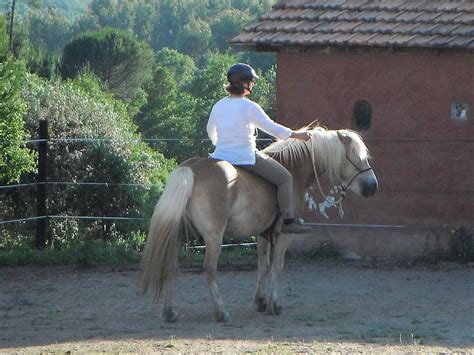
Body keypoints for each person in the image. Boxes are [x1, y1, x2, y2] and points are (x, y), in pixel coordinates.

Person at [206, 63, 311, 234]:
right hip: (246, 157)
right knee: (285, 179)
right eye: (251, 81)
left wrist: (222, 145)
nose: (253, 84)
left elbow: (210, 131)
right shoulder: (249, 107)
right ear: (243, 83)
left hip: (220, 157)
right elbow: (273, 128)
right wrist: (298, 135)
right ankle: (288, 220)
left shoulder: (218, 106)